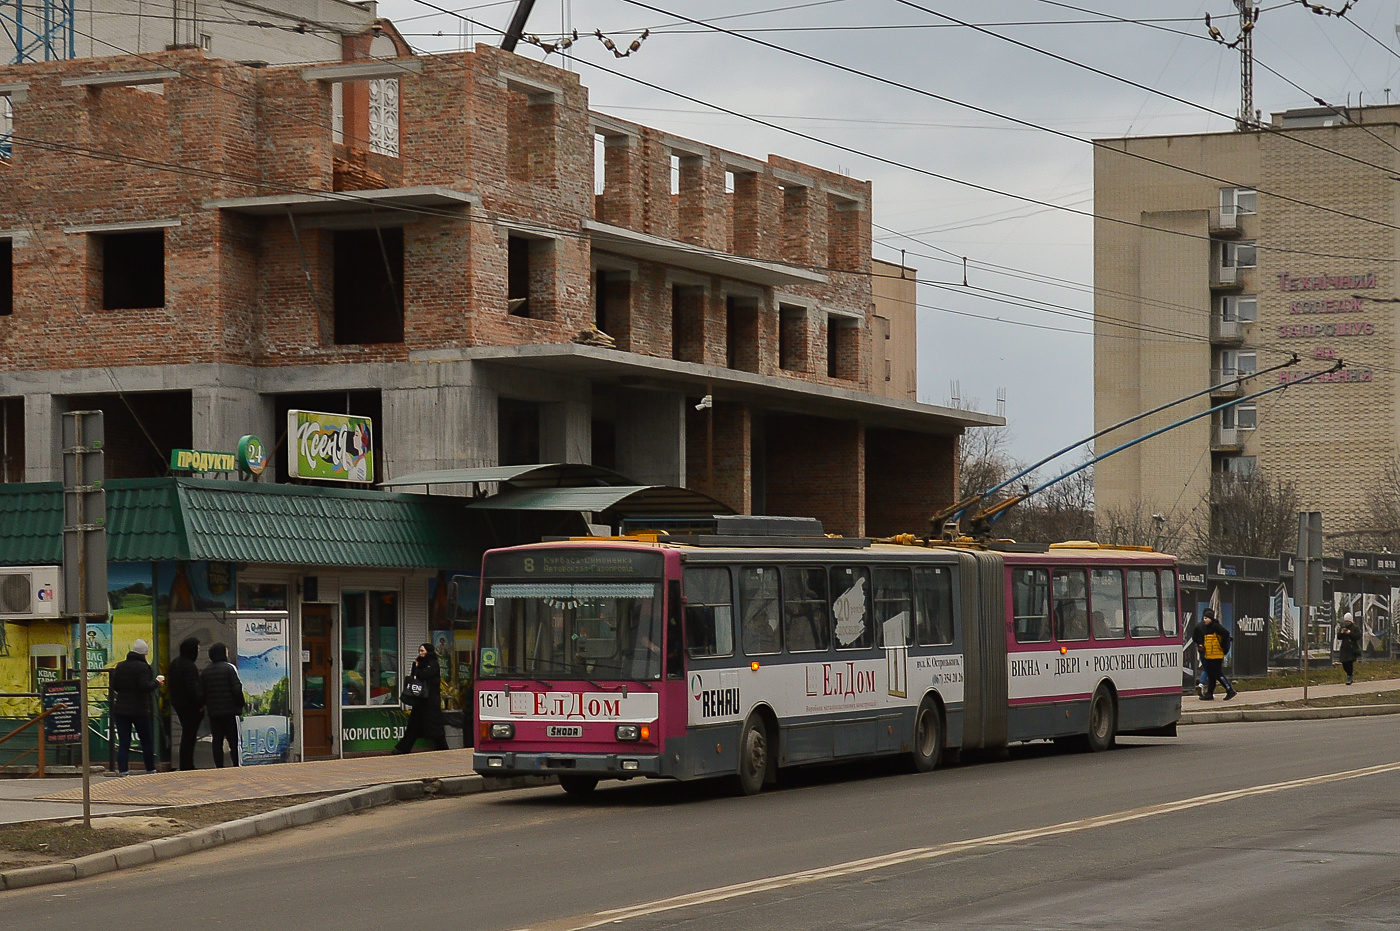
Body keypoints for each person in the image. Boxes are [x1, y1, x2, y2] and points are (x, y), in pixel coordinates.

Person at [109, 639, 164, 776]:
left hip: (121, 709)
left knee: (124, 742)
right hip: (139, 710)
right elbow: (145, 687)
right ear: (144, 653)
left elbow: (115, 685)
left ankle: (123, 770)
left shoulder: (120, 666)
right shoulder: (143, 668)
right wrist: (157, 682)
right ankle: (150, 768)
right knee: (146, 740)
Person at [394, 643, 448, 754]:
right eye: (420, 651)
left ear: (428, 651)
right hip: (420, 700)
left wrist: (418, 667)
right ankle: (402, 748)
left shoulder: (433, 664)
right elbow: (414, 675)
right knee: (413, 726)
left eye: (422, 651)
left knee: (435, 727)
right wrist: (416, 665)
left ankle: (443, 748)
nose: (420, 653)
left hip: (430, 702)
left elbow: (423, 675)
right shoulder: (421, 663)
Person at [200, 642, 245, 767]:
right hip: (231, 712)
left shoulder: (206, 672)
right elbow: (237, 689)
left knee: (217, 740)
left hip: (214, 713)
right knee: (234, 742)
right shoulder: (229, 668)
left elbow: (202, 693)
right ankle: (236, 765)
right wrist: (240, 704)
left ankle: (219, 767)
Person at [167, 637, 204, 771]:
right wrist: (200, 703)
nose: (198, 651)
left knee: (187, 734)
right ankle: (187, 764)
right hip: (190, 706)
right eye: (197, 649)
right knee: (190, 736)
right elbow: (192, 688)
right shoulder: (189, 666)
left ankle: (185, 764)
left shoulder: (175, 664)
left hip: (178, 704)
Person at [1198, 608, 1237, 701]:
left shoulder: (1216, 626)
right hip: (1209, 655)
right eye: (1204, 618)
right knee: (1211, 675)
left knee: (1217, 673)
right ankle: (1209, 694)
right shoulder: (1206, 629)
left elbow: (1226, 633)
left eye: (1207, 618)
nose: (1205, 620)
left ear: (1211, 618)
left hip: (1217, 655)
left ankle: (1229, 690)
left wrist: (1222, 645)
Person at [1337, 612, 1362, 685]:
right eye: (1346, 621)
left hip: (1351, 648)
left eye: (1348, 621)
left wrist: (1350, 633)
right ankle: (1348, 674)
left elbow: (1357, 636)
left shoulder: (1355, 628)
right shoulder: (1343, 627)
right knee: (1344, 663)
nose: (1347, 623)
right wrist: (1341, 633)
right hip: (1344, 648)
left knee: (1349, 662)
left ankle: (1349, 676)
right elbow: (1339, 637)